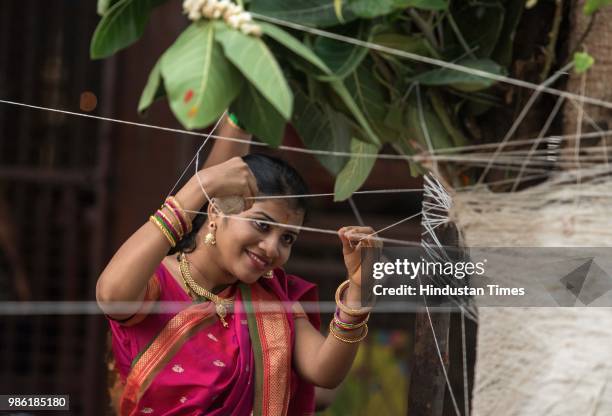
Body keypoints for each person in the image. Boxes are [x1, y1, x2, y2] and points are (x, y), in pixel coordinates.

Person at [96, 114, 380, 415]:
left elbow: (325, 374)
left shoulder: (271, 298)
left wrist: (359, 293)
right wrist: (200, 185)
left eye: (287, 239)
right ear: (217, 212)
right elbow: (111, 296)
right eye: (261, 225)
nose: (272, 247)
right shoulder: (155, 282)